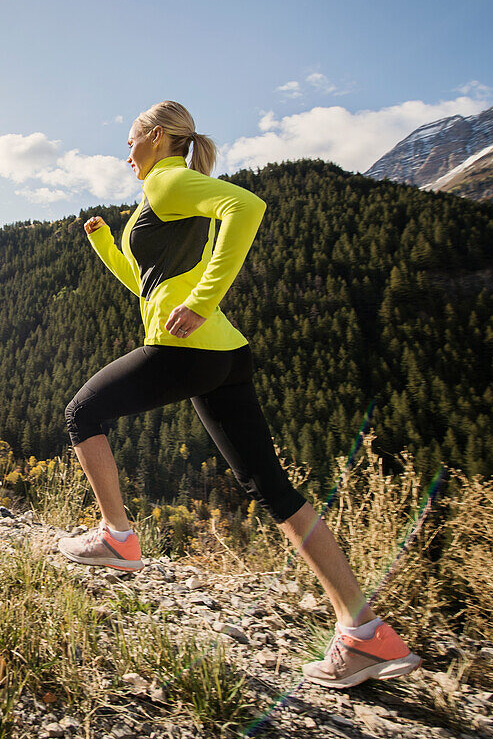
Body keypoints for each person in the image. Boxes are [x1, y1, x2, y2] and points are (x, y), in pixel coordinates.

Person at [56, 100, 421, 688]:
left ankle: (118, 536)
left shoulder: (170, 179)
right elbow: (146, 285)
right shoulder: (162, 190)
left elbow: (246, 207)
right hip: (225, 354)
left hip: (192, 350)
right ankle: (364, 632)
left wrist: (200, 302)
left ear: (155, 137)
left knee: (82, 413)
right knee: (272, 487)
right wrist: (105, 245)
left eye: (131, 141)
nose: (126, 154)